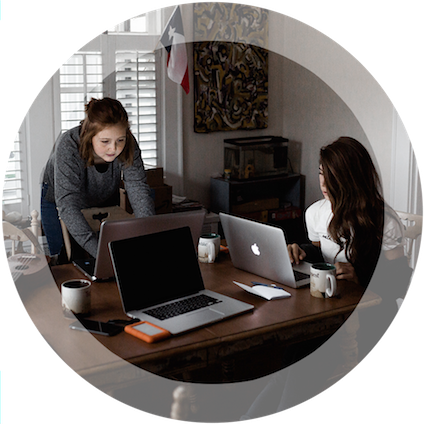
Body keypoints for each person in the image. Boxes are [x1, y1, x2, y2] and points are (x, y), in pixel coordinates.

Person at [41, 97, 155, 261]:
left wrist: (148, 236)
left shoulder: (128, 143)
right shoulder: (68, 145)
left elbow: (138, 188)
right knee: (66, 262)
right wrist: (102, 254)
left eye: (120, 140)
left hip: (103, 196)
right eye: (105, 141)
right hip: (60, 200)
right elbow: (68, 205)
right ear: (88, 135)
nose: (114, 148)